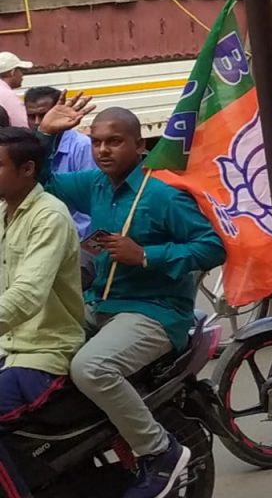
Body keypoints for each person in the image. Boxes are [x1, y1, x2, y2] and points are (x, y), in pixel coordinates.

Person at [38, 102, 225, 498]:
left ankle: (159, 451)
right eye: (96, 142)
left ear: (139, 145)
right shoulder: (95, 184)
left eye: (114, 142)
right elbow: (42, 183)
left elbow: (212, 247)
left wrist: (145, 255)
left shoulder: (162, 194)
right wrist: (46, 134)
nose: (103, 150)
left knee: (91, 368)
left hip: (153, 310)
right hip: (101, 303)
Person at [0, 127, 84, 498]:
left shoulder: (49, 216)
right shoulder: (4, 212)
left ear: (27, 169)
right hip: (7, 348)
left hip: (41, 354)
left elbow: (26, 296)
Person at [25, 86, 95, 237]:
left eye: (43, 115)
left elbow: (89, 199)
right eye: (31, 116)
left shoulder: (82, 146)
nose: (37, 122)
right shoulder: (26, 146)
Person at [0, 53, 31, 129]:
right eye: (20, 70)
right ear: (13, 72)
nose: (22, 75)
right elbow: (21, 126)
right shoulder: (8, 95)